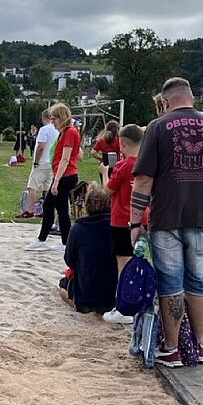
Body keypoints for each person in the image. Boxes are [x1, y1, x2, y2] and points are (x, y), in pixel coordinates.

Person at [130, 77, 203, 368]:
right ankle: (200, 345)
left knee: (170, 284)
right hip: (202, 216)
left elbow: (142, 179)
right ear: (191, 98)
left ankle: (174, 347)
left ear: (165, 102)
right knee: (198, 281)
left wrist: (134, 223)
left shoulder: (157, 127)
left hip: (167, 217)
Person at [99, 123, 144, 324]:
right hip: (140, 219)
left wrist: (104, 173)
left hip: (120, 220)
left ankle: (124, 308)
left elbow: (107, 190)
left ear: (123, 144)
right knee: (135, 263)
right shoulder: (146, 163)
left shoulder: (124, 165)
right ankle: (133, 303)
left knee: (123, 265)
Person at [26, 103, 81, 252]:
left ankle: (64, 242)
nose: (52, 123)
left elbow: (65, 159)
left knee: (61, 209)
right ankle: (44, 239)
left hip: (65, 175)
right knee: (49, 206)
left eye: (54, 119)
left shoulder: (69, 132)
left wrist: (56, 181)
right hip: (65, 174)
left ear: (61, 118)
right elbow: (79, 154)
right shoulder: (67, 132)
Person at [60, 184, 117, 314]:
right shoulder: (117, 227)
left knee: (62, 287)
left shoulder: (78, 228)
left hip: (86, 295)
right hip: (113, 295)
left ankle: (74, 302)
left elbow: (69, 260)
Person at [17, 109, 59, 219]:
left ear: (44, 118)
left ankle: (30, 210)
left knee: (32, 186)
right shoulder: (58, 130)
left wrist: (36, 161)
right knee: (47, 187)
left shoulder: (44, 130)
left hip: (42, 162)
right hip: (52, 162)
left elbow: (41, 147)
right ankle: (47, 210)